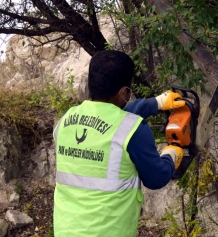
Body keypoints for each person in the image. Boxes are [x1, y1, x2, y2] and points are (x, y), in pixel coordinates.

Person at [53, 50, 185, 236]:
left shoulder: (65, 121)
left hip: (65, 230)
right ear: (124, 92)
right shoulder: (135, 131)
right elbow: (157, 178)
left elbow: (108, 119)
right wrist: (172, 153)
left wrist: (155, 103)